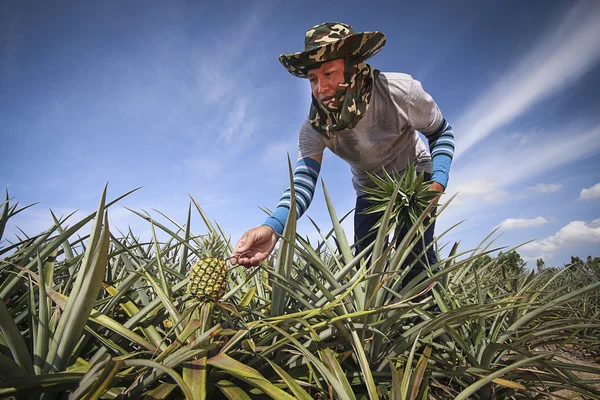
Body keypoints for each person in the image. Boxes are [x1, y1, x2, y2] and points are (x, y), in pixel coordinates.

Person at [231, 22, 454, 283]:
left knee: (416, 260)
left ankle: (432, 316)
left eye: (329, 73)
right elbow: (303, 182)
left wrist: (437, 183)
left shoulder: (400, 91)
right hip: (370, 188)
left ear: (353, 66)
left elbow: (441, 133)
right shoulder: (314, 129)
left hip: (414, 175)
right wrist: (273, 226)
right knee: (367, 266)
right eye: (313, 78)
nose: (320, 88)